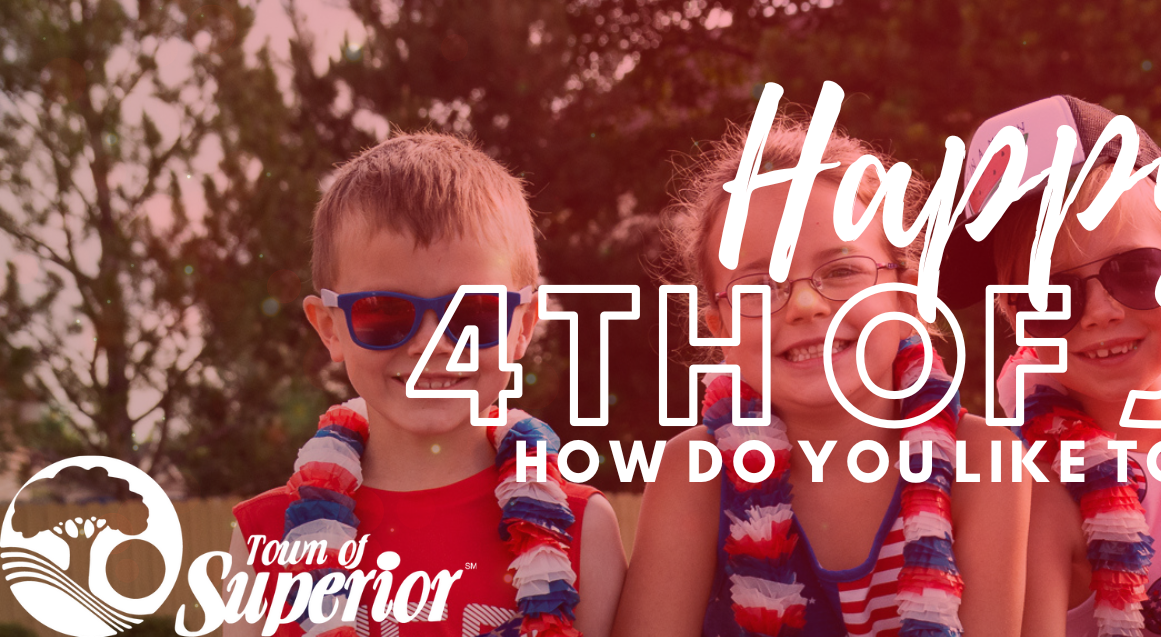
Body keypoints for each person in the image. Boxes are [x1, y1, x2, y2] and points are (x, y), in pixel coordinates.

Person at [616, 117, 1028, 637]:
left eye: (840, 271)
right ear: (719, 329)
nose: (805, 305)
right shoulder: (693, 474)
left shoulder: (984, 461)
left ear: (910, 294)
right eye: (758, 286)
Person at [230, 132, 626, 637]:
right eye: (383, 312)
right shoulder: (265, 539)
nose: (432, 343)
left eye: (473, 312)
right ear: (330, 327)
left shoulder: (578, 529)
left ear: (523, 326)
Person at [937, 96, 1161, 637]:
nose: (1102, 312)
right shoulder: (1021, 491)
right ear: (1013, 316)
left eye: (1135, 270)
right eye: (1047, 294)